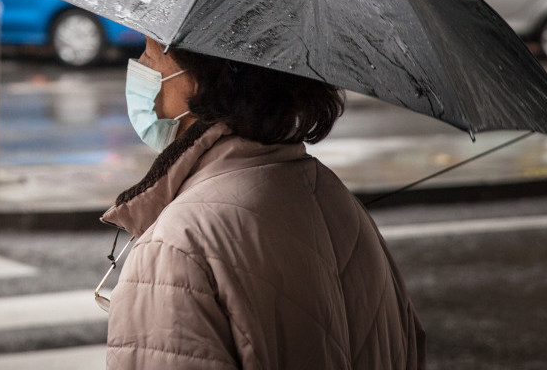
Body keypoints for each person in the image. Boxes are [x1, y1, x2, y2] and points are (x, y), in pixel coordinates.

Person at [101, 37, 425, 369]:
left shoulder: (177, 246)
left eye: (151, 54)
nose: (140, 66)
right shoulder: (345, 209)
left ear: (199, 79)